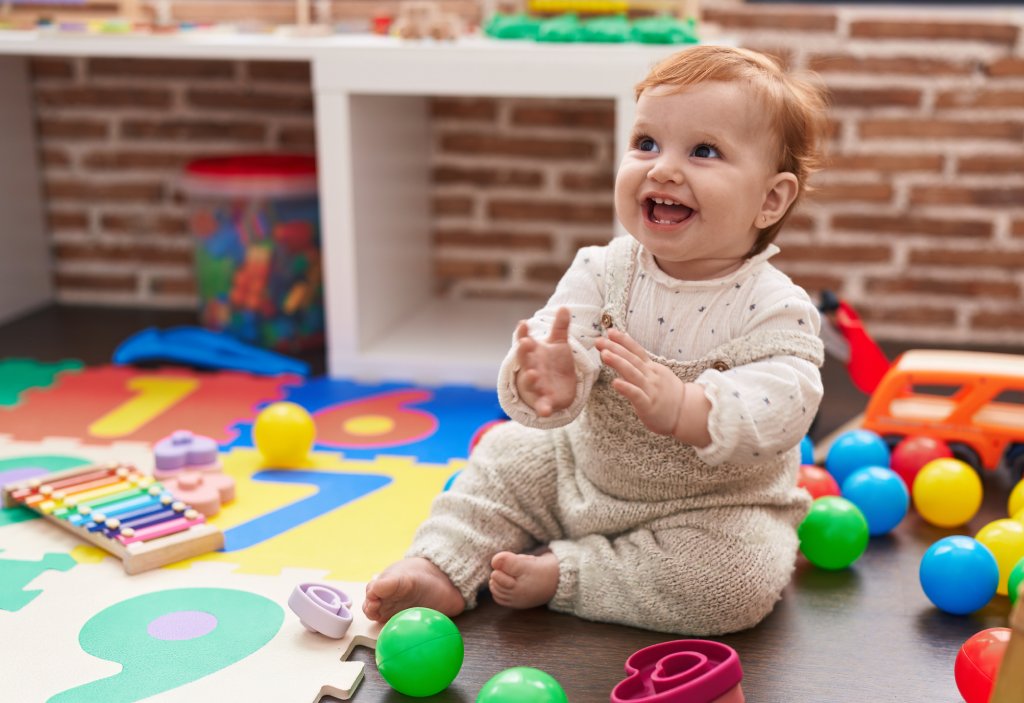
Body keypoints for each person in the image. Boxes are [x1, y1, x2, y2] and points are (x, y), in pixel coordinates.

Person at [363, 45, 830, 635]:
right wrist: (548, 374)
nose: (662, 168)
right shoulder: (603, 269)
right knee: (504, 457)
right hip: (579, 474)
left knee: (736, 582)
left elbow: (788, 400)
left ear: (770, 199)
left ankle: (571, 573)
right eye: (646, 144)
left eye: (704, 151)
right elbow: (557, 333)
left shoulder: (774, 305)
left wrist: (691, 407)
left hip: (713, 510)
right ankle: (443, 563)